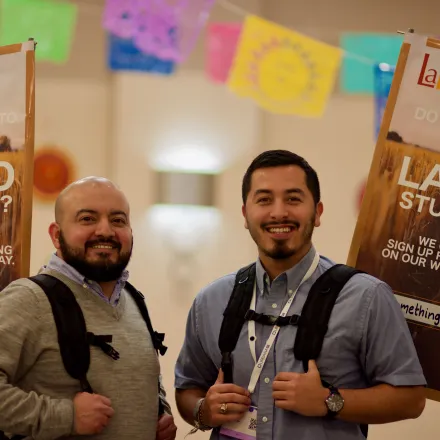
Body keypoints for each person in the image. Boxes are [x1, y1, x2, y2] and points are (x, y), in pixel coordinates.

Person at [174, 150, 427, 440]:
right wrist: (203, 410)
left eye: (293, 199)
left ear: (317, 212)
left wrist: (329, 401)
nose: (279, 212)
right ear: (245, 214)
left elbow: (410, 399)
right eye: (264, 199)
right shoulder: (210, 300)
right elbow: (187, 388)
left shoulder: (367, 297)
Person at [0, 176, 177, 440]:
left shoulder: (134, 301)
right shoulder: (28, 299)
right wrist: (66, 417)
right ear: (56, 235)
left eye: (118, 220)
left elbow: (138, 379)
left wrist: (159, 411)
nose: (105, 231)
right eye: (87, 219)